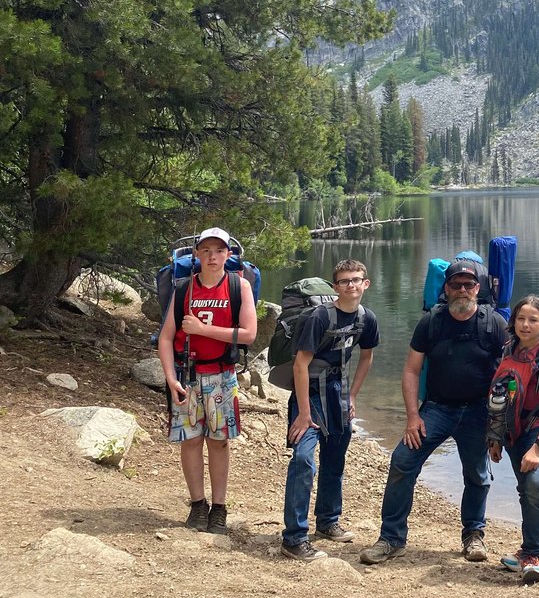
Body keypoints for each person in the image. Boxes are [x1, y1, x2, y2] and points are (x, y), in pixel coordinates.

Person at [360, 259, 507, 564]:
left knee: (478, 475)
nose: (462, 290)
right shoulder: (432, 322)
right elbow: (412, 370)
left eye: (468, 285)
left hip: (479, 410)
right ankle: (391, 538)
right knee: (403, 460)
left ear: (478, 289)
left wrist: (498, 427)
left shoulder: (493, 324)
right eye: (456, 284)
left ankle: (473, 536)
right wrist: (413, 416)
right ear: (446, 288)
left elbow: (509, 377)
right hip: (437, 409)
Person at [157, 226, 258, 535]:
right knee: (190, 440)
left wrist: (203, 330)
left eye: (219, 251)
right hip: (187, 375)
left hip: (222, 376)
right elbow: (165, 338)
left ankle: (219, 508)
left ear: (228, 255)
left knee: (219, 441)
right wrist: (171, 378)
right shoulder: (185, 289)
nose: (212, 256)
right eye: (206, 250)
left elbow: (250, 334)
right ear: (197, 254)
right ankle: (198, 504)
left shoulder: (238, 286)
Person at [281, 259, 380, 561]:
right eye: (344, 281)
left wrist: (352, 396)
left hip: (338, 395)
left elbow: (366, 357)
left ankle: (327, 521)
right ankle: (294, 538)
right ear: (335, 286)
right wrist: (303, 414)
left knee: (335, 459)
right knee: (303, 461)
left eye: (356, 280)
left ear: (366, 284)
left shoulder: (367, 318)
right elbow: (300, 364)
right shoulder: (319, 318)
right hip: (308, 395)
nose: (351, 285)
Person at [488, 294, 539, 585]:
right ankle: (526, 551)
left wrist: (538, 446)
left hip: (537, 429)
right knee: (524, 487)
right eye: (521, 318)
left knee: (534, 484)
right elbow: (498, 394)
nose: (525, 324)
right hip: (511, 429)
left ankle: (534, 555)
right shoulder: (509, 349)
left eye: (533, 319)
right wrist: (494, 438)